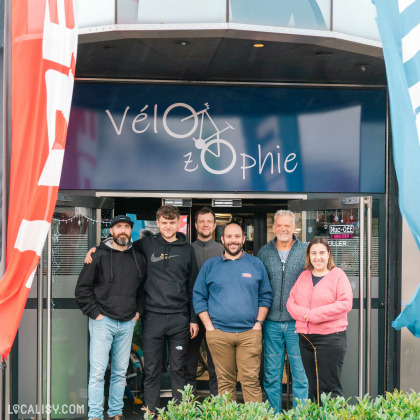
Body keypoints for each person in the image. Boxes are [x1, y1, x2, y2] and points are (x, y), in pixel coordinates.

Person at [85, 205, 199, 414]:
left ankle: (182, 414)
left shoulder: (188, 250)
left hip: (179, 318)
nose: (167, 226)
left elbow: (192, 286)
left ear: (177, 224)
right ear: (158, 223)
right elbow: (119, 244)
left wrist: (193, 319)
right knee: (152, 370)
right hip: (152, 318)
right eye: (164, 222)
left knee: (178, 369)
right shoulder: (145, 244)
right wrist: (96, 249)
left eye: (172, 222)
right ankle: (151, 413)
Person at [75, 215, 146, 420]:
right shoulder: (98, 256)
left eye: (126, 227)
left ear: (130, 231)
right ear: (111, 231)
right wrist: (95, 314)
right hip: (102, 321)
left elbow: (142, 290)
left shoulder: (138, 258)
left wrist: (137, 313)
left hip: (127, 322)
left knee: (119, 372)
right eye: (118, 227)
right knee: (97, 372)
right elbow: (82, 289)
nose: (122, 230)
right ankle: (95, 415)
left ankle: (116, 412)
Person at [193, 223, 273, 402]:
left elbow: (266, 296)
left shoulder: (256, 264)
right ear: (222, 239)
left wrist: (258, 324)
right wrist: (209, 327)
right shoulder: (210, 265)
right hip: (219, 334)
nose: (233, 241)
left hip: (249, 334)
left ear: (243, 239)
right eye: (229, 237)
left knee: (251, 382)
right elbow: (198, 296)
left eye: (237, 237)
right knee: (225, 384)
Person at [287, 237, 353, 404]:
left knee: (329, 389)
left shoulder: (338, 275)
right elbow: (291, 303)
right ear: (308, 256)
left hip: (330, 339)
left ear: (328, 254)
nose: (318, 257)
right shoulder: (304, 276)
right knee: (312, 387)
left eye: (322, 253)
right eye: (314, 253)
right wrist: (305, 315)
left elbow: (345, 303)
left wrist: (313, 315)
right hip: (306, 340)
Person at [257, 210, 308, 411]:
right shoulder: (264, 252)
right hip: (270, 323)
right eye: (279, 225)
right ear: (274, 227)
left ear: (294, 227)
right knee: (271, 376)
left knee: (300, 377)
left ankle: (300, 415)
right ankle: (274, 416)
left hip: (297, 324)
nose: (283, 229)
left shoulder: (306, 250)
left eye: (287, 225)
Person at [186, 207, 223, 396]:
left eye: (209, 221)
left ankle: (217, 407)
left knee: (216, 365)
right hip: (192, 317)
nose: (205, 224)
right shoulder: (187, 249)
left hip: (216, 316)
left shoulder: (223, 250)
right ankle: (187, 408)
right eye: (202, 221)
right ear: (195, 224)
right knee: (189, 364)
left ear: (214, 225)